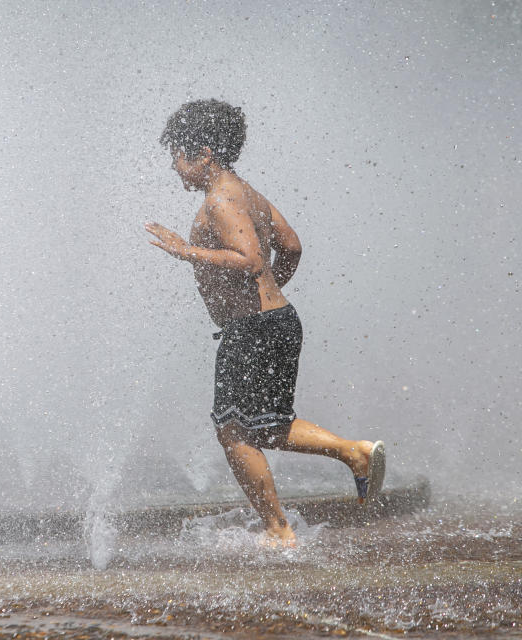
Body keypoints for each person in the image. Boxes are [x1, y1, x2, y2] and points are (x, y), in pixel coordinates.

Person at [144, 99, 385, 547]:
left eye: (178, 155)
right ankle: (355, 453)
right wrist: (273, 293)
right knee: (268, 426)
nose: (174, 166)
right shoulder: (247, 192)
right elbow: (290, 246)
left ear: (204, 153)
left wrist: (185, 251)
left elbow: (250, 258)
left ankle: (278, 530)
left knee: (233, 430)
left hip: (253, 329)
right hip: (276, 321)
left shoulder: (219, 200)